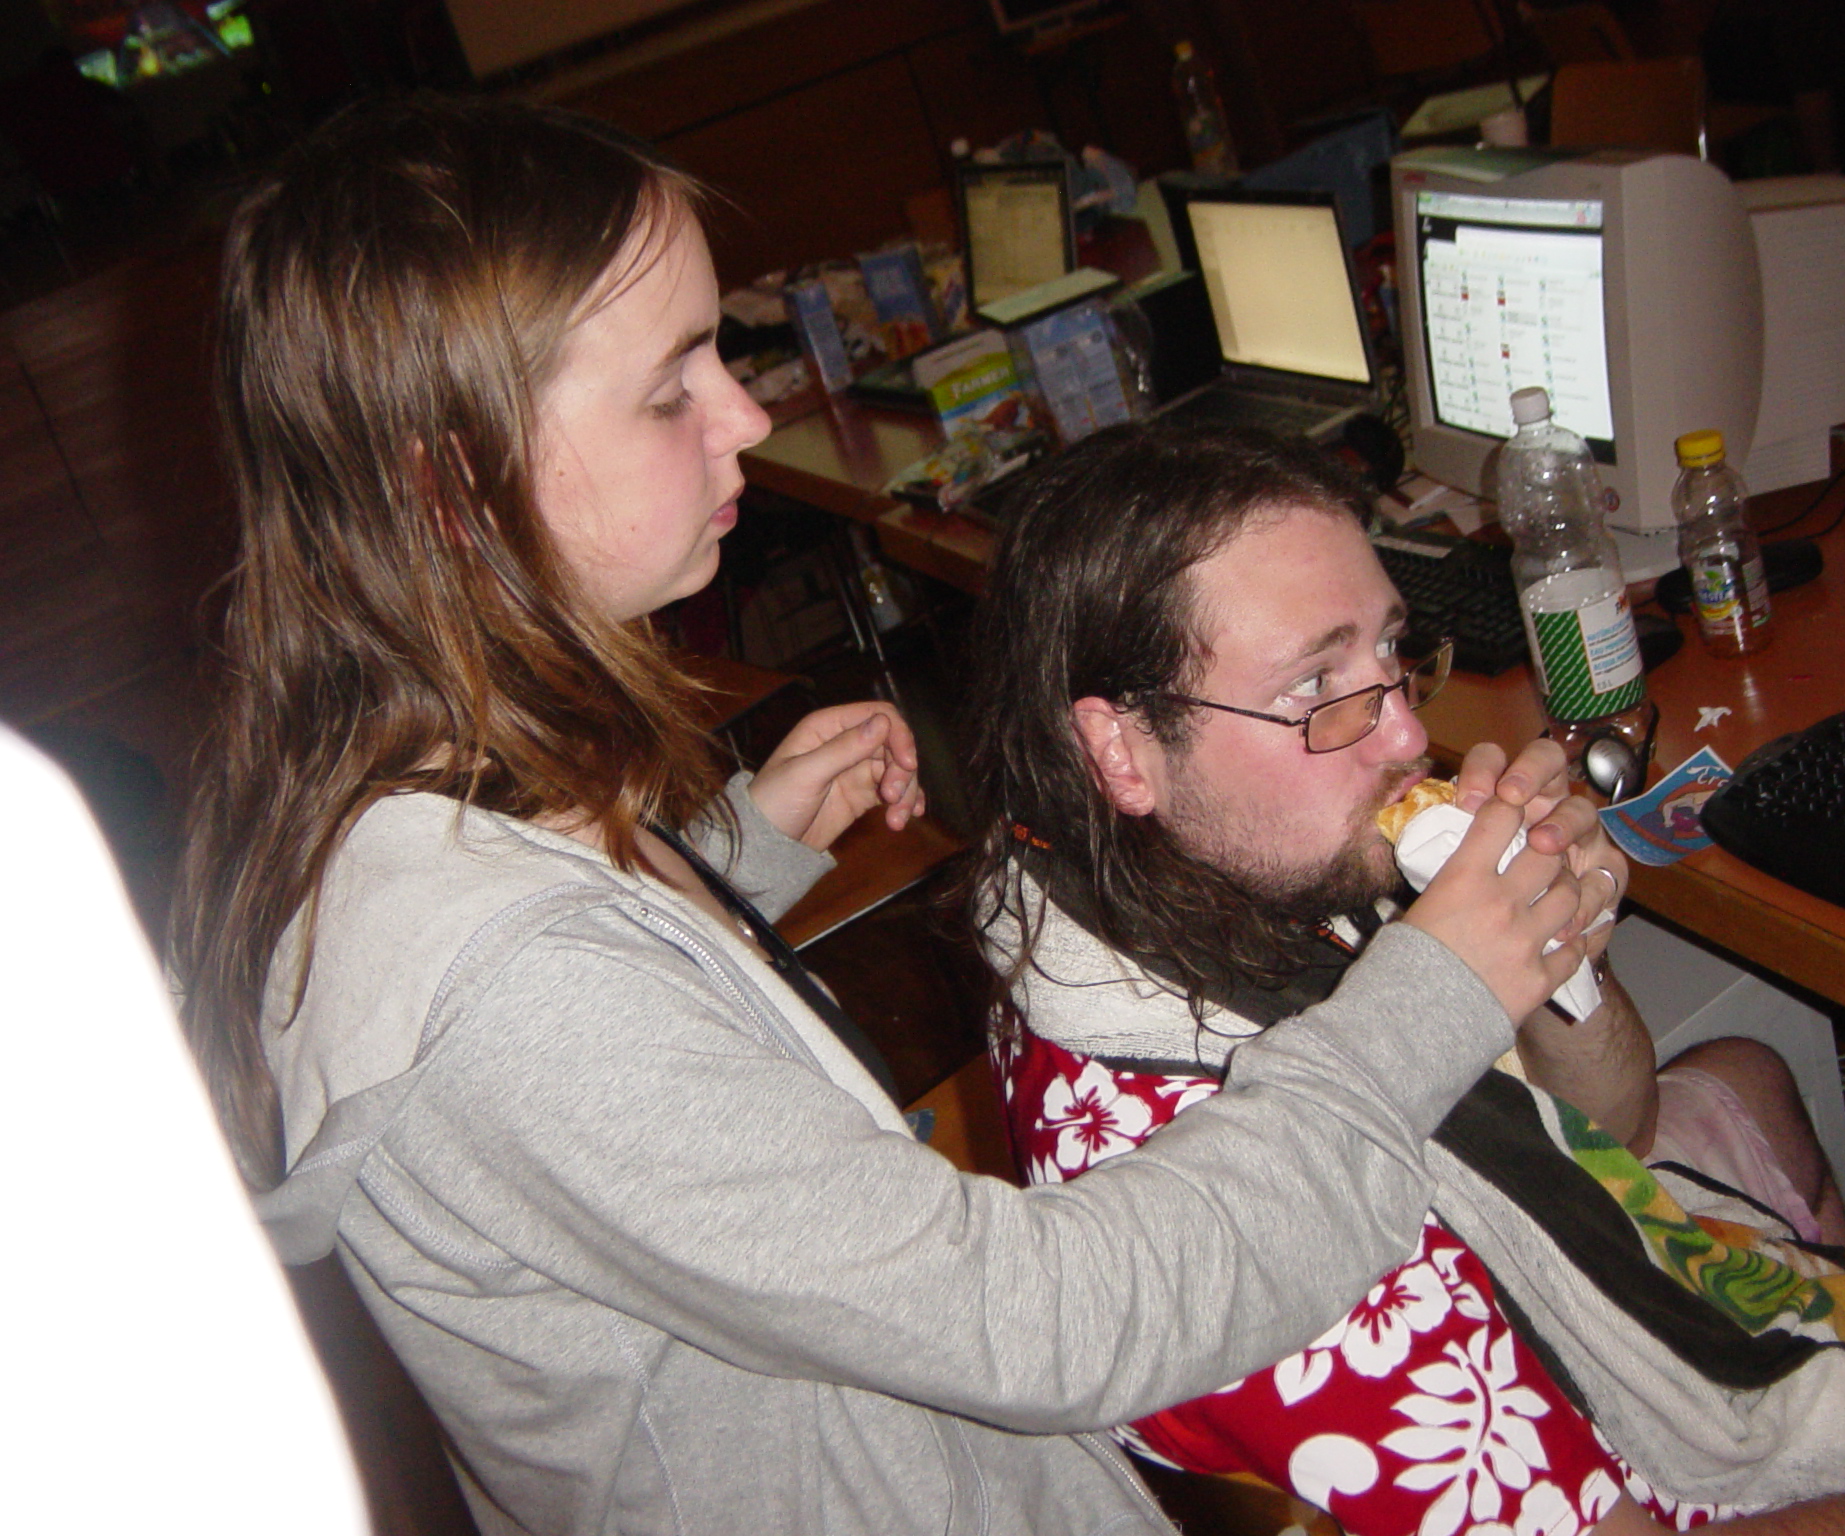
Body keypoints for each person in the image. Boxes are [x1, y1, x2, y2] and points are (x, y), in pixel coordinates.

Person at [170, 95, 1622, 1536]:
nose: (747, 414)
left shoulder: (425, 791)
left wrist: (731, 855)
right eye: (672, 390)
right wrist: (1435, 992)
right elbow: (1049, 1324)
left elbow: (613, 1026)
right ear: (452, 484)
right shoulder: (513, 995)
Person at [961, 420, 1845, 1535]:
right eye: (1316, 682)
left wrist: (1558, 952)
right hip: (1679, 1479)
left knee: (1749, 1072)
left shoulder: (1191, 869)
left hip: (1643, 1290)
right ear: (1121, 751)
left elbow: (1610, 1130)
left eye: (1390, 651)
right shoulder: (1230, 1243)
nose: (1403, 738)